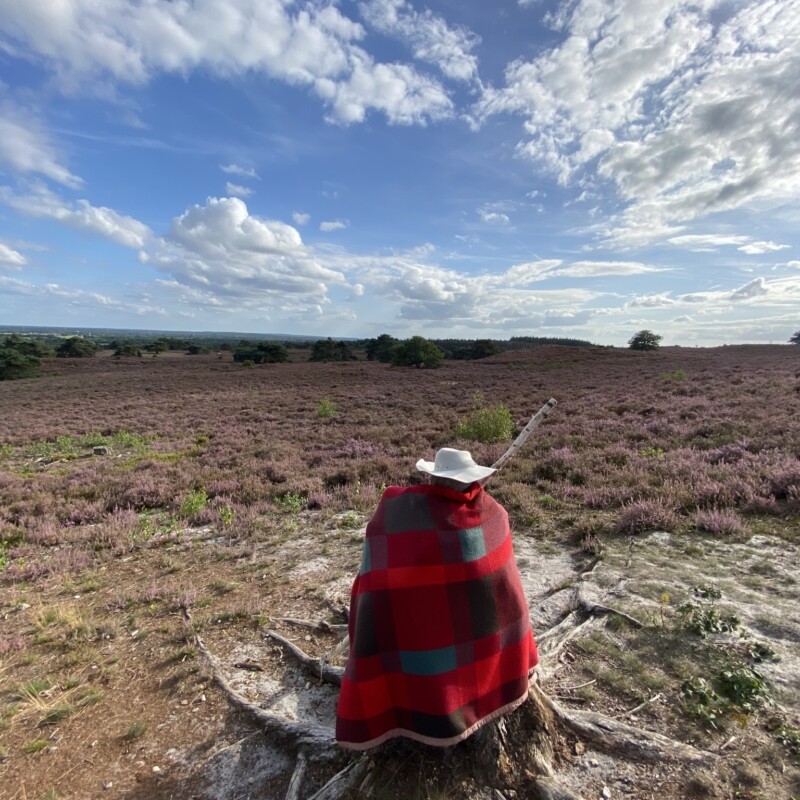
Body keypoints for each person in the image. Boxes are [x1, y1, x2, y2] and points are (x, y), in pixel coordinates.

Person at [335, 447, 539, 750]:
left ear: (432, 478)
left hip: (432, 637)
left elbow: (379, 573)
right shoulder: (493, 512)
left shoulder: (402, 514)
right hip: (482, 645)